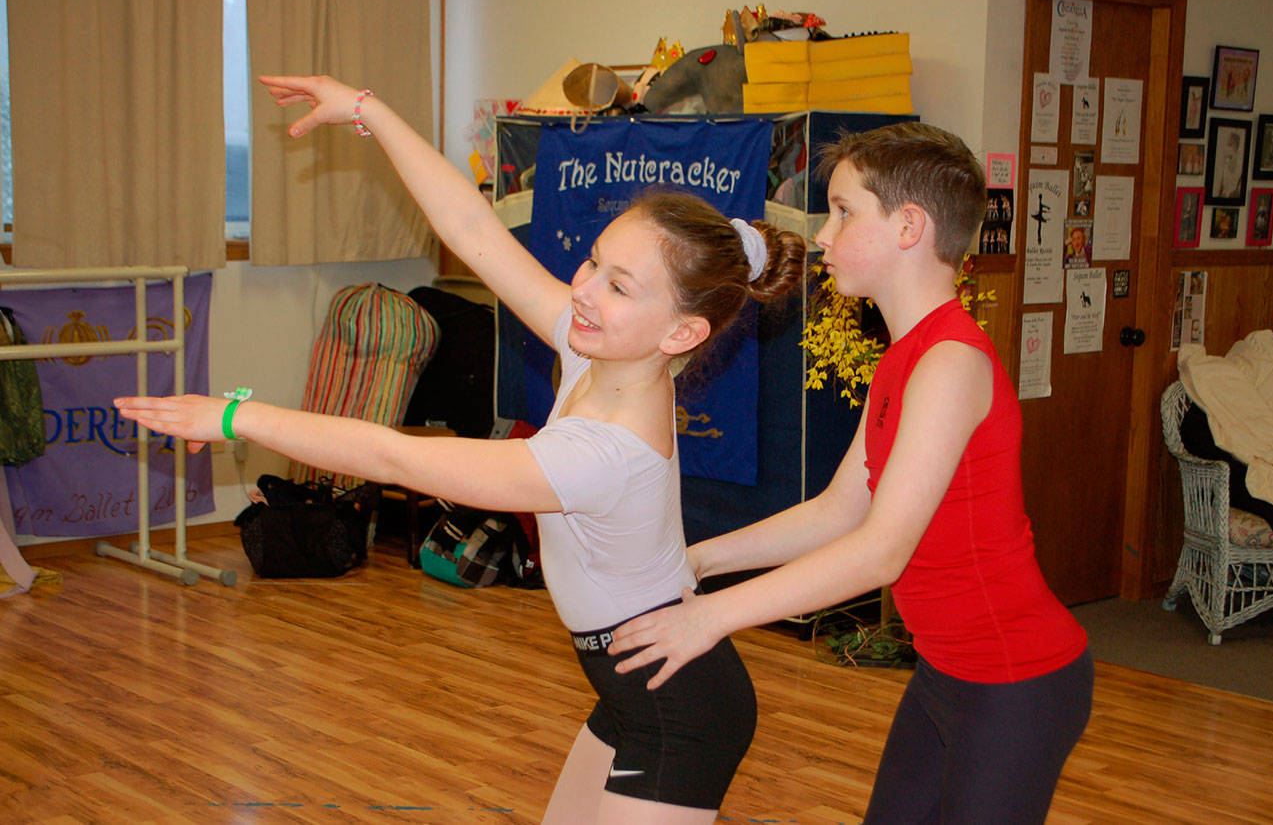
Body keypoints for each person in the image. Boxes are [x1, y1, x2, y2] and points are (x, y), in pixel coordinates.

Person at [115, 74, 805, 824]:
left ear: (681, 334)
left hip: (678, 707)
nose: (582, 289)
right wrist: (369, 111)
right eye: (593, 261)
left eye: (618, 285)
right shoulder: (598, 356)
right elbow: (474, 233)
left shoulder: (604, 454)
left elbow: (396, 457)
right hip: (633, 682)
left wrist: (236, 417)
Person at [608, 121, 1094, 824]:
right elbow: (841, 509)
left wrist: (711, 618)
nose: (824, 235)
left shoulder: (952, 361)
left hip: (1015, 682)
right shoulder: (902, 358)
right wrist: (699, 559)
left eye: (842, 211)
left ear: (908, 226)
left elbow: (880, 549)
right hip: (945, 672)